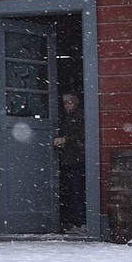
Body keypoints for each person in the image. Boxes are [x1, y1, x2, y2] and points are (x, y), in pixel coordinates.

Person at [53, 93, 86, 233]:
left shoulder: (78, 117)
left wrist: (66, 140)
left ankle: (81, 222)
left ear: (76, 103)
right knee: (72, 191)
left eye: (70, 102)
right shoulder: (66, 118)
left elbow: (82, 135)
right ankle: (76, 222)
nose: (67, 105)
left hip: (76, 159)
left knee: (76, 190)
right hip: (69, 159)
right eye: (65, 103)